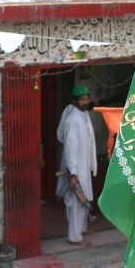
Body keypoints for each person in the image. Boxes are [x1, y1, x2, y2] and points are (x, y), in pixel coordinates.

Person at [57, 85, 98, 246]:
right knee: (76, 202)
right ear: (74, 101)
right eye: (82, 99)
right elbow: (70, 148)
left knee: (84, 199)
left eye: (87, 99)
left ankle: (81, 228)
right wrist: (73, 173)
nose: (85, 102)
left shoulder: (83, 114)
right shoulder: (72, 119)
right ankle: (75, 237)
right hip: (76, 168)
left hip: (83, 166)